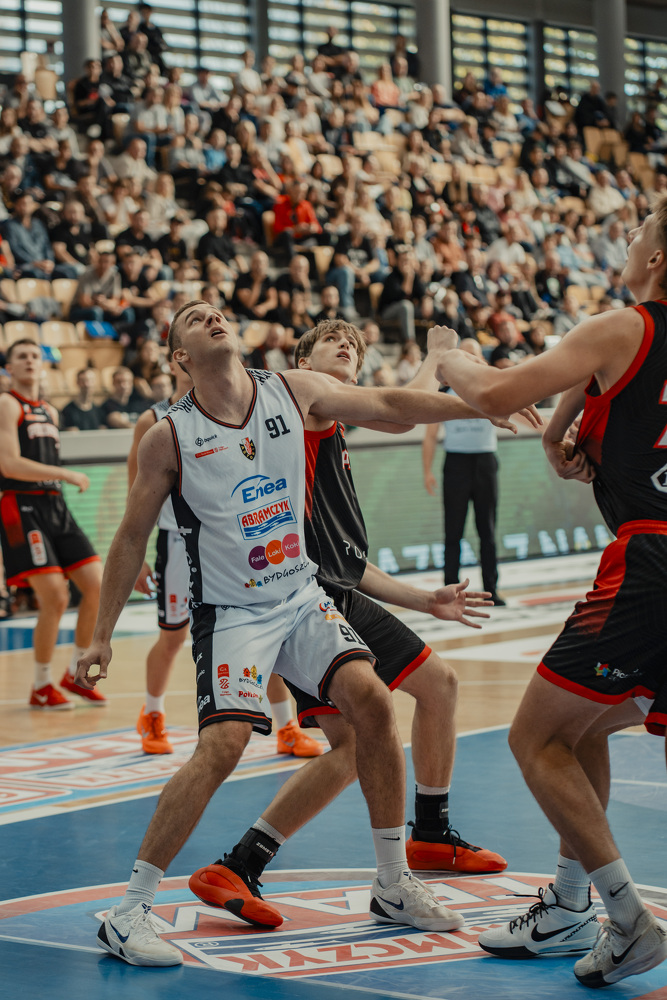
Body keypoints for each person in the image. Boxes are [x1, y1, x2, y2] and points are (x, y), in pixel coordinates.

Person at [76, 305, 532, 966]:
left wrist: (478, 405)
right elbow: (128, 536)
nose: (212, 317)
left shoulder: (291, 390)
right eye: (195, 319)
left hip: (300, 595)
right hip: (231, 613)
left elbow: (389, 402)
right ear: (179, 357)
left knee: (371, 703)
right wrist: (101, 636)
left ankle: (392, 882)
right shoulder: (167, 436)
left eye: (216, 312)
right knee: (223, 746)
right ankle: (129, 912)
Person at [190, 320, 509, 925]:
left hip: (338, 589)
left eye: (355, 347)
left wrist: (424, 600)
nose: (346, 348)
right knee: (356, 744)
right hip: (303, 602)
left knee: (437, 687)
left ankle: (430, 832)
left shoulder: (332, 430)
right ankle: (243, 863)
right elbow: (400, 411)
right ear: (303, 361)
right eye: (331, 342)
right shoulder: (301, 405)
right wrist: (439, 359)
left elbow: (351, 562)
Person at [431, 203, 667, 987]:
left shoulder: (623, 326)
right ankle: (568, 907)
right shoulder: (622, 341)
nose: (626, 241)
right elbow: (603, 402)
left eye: (637, 232)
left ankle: (628, 920)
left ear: (656, 258)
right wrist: (558, 428)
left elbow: (496, 394)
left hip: (649, 560)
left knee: (534, 739)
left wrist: (452, 357)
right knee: (582, 727)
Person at [129, 357, 323, 758]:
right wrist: (139, 557)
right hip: (176, 541)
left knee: (265, 620)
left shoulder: (234, 407)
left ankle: (286, 725)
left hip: (229, 540)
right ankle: (152, 714)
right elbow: (136, 495)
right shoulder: (155, 420)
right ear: (177, 359)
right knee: (172, 636)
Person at [0, 340, 103, 708]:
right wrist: (64, 473)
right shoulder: (7, 404)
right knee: (56, 597)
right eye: (22, 356)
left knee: (97, 586)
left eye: (35, 356)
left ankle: (75, 673)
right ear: (10, 367)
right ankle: (41, 685)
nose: (30, 360)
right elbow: (9, 464)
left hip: (55, 504)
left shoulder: (50, 411)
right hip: (21, 505)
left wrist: (58, 479)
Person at [423, 339, 505, 606]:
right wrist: (427, 471)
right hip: (456, 463)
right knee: (453, 531)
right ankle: (450, 589)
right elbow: (431, 435)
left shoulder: (492, 391)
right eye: (464, 356)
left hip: (485, 462)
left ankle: (492, 589)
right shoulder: (444, 395)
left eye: (474, 356)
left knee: (487, 530)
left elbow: (520, 410)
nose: (469, 361)